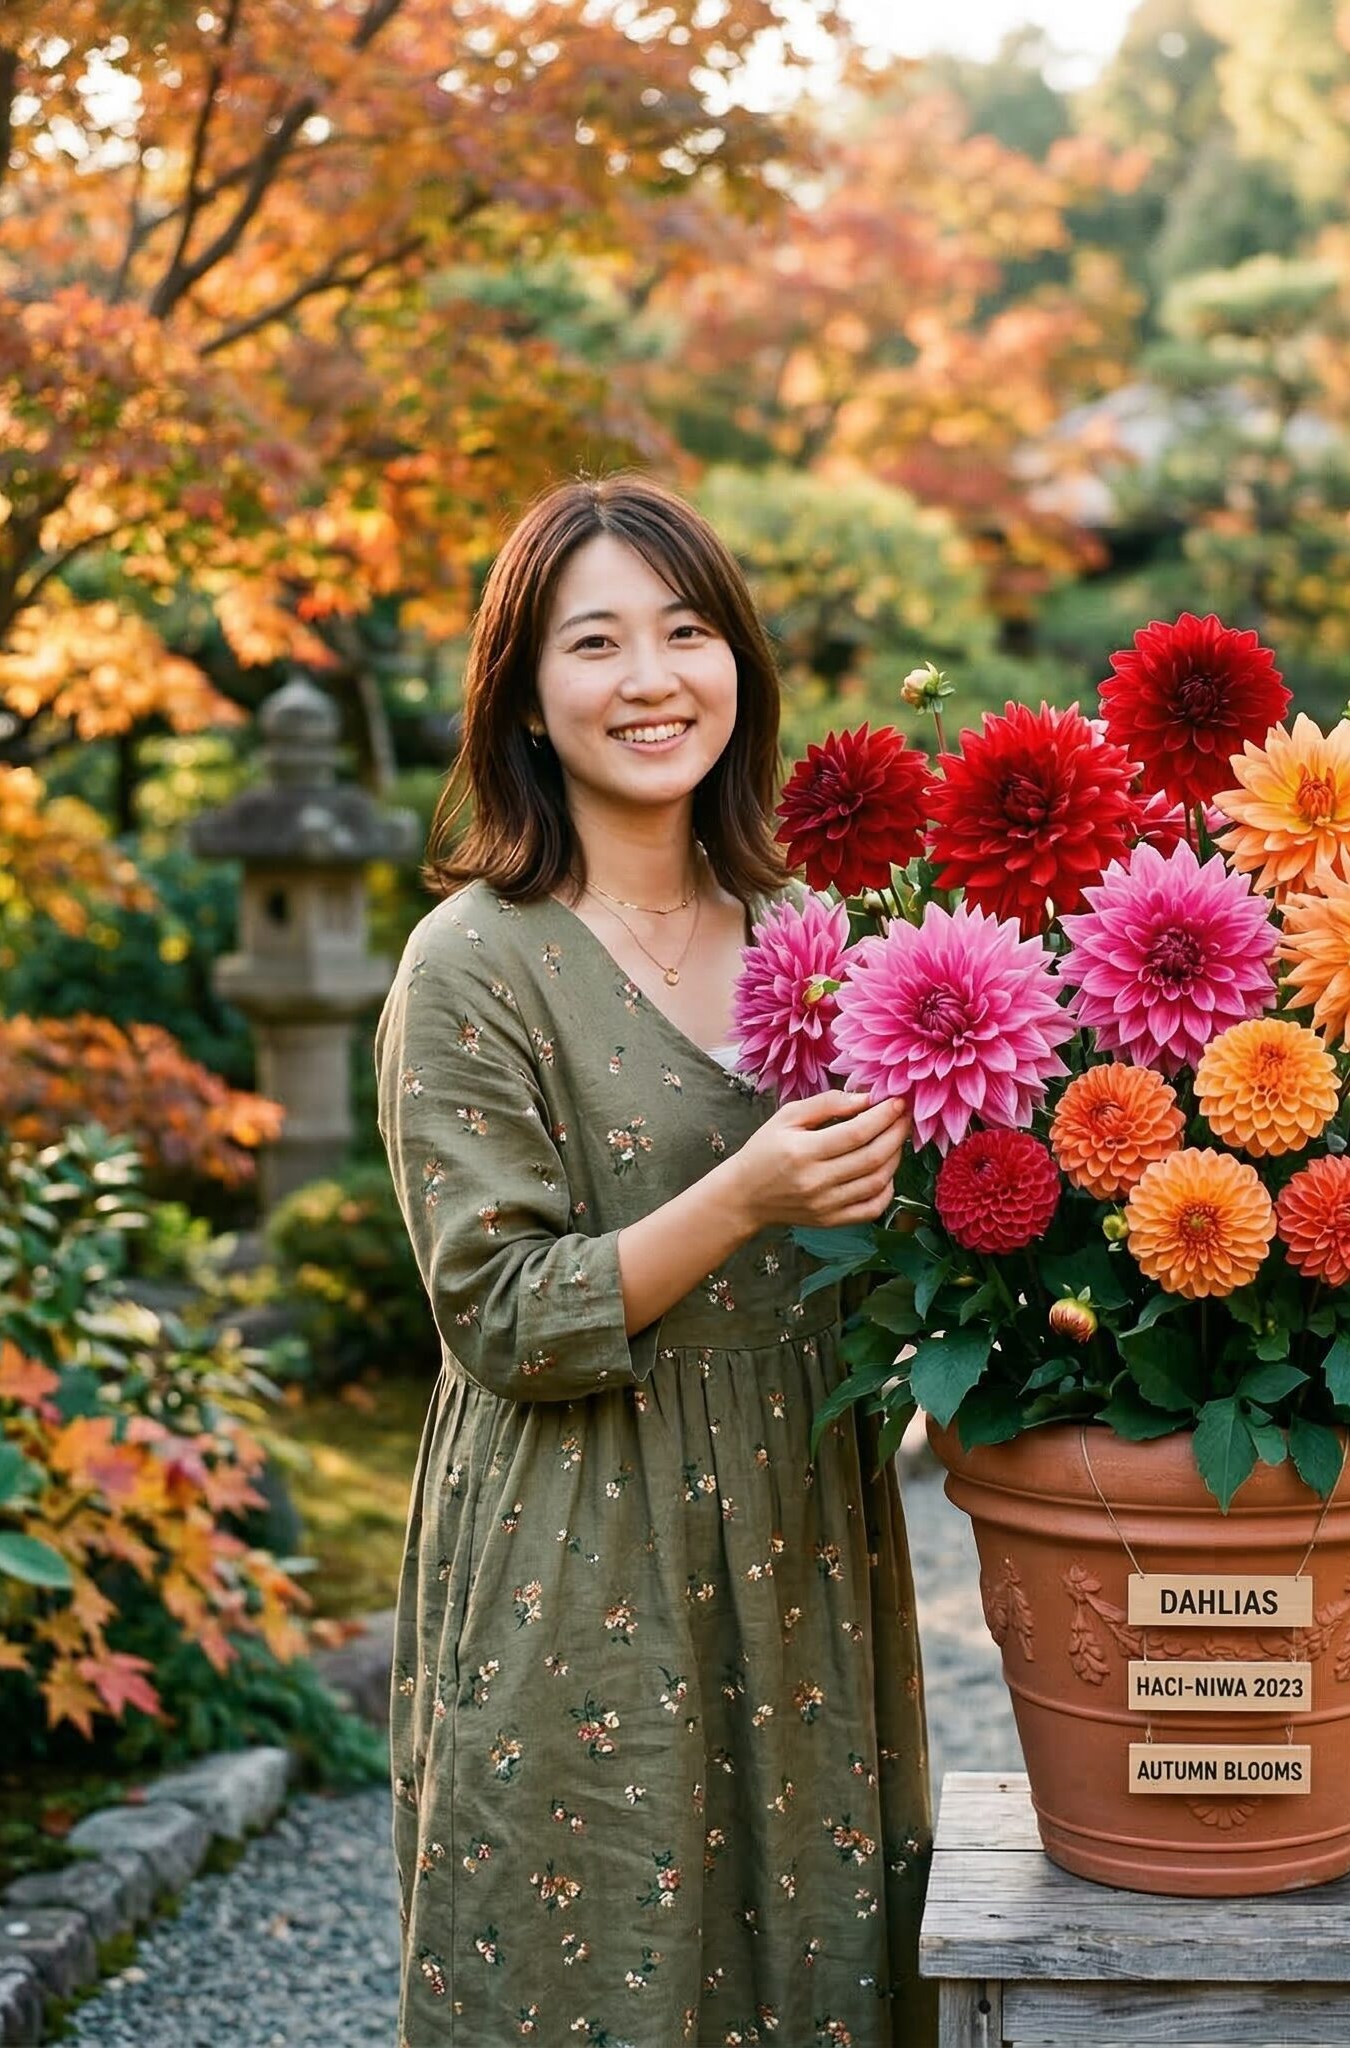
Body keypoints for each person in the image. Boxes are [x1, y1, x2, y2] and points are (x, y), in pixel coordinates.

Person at [373, 474, 932, 2047]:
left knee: (813, 1952)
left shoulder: (812, 927)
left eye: (686, 633)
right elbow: (500, 1312)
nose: (649, 679)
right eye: (595, 642)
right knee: (591, 1946)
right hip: (580, 1528)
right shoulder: (475, 959)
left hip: (800, 1519)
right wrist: (744, 1197)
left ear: (738, 665)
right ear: (528, 701)